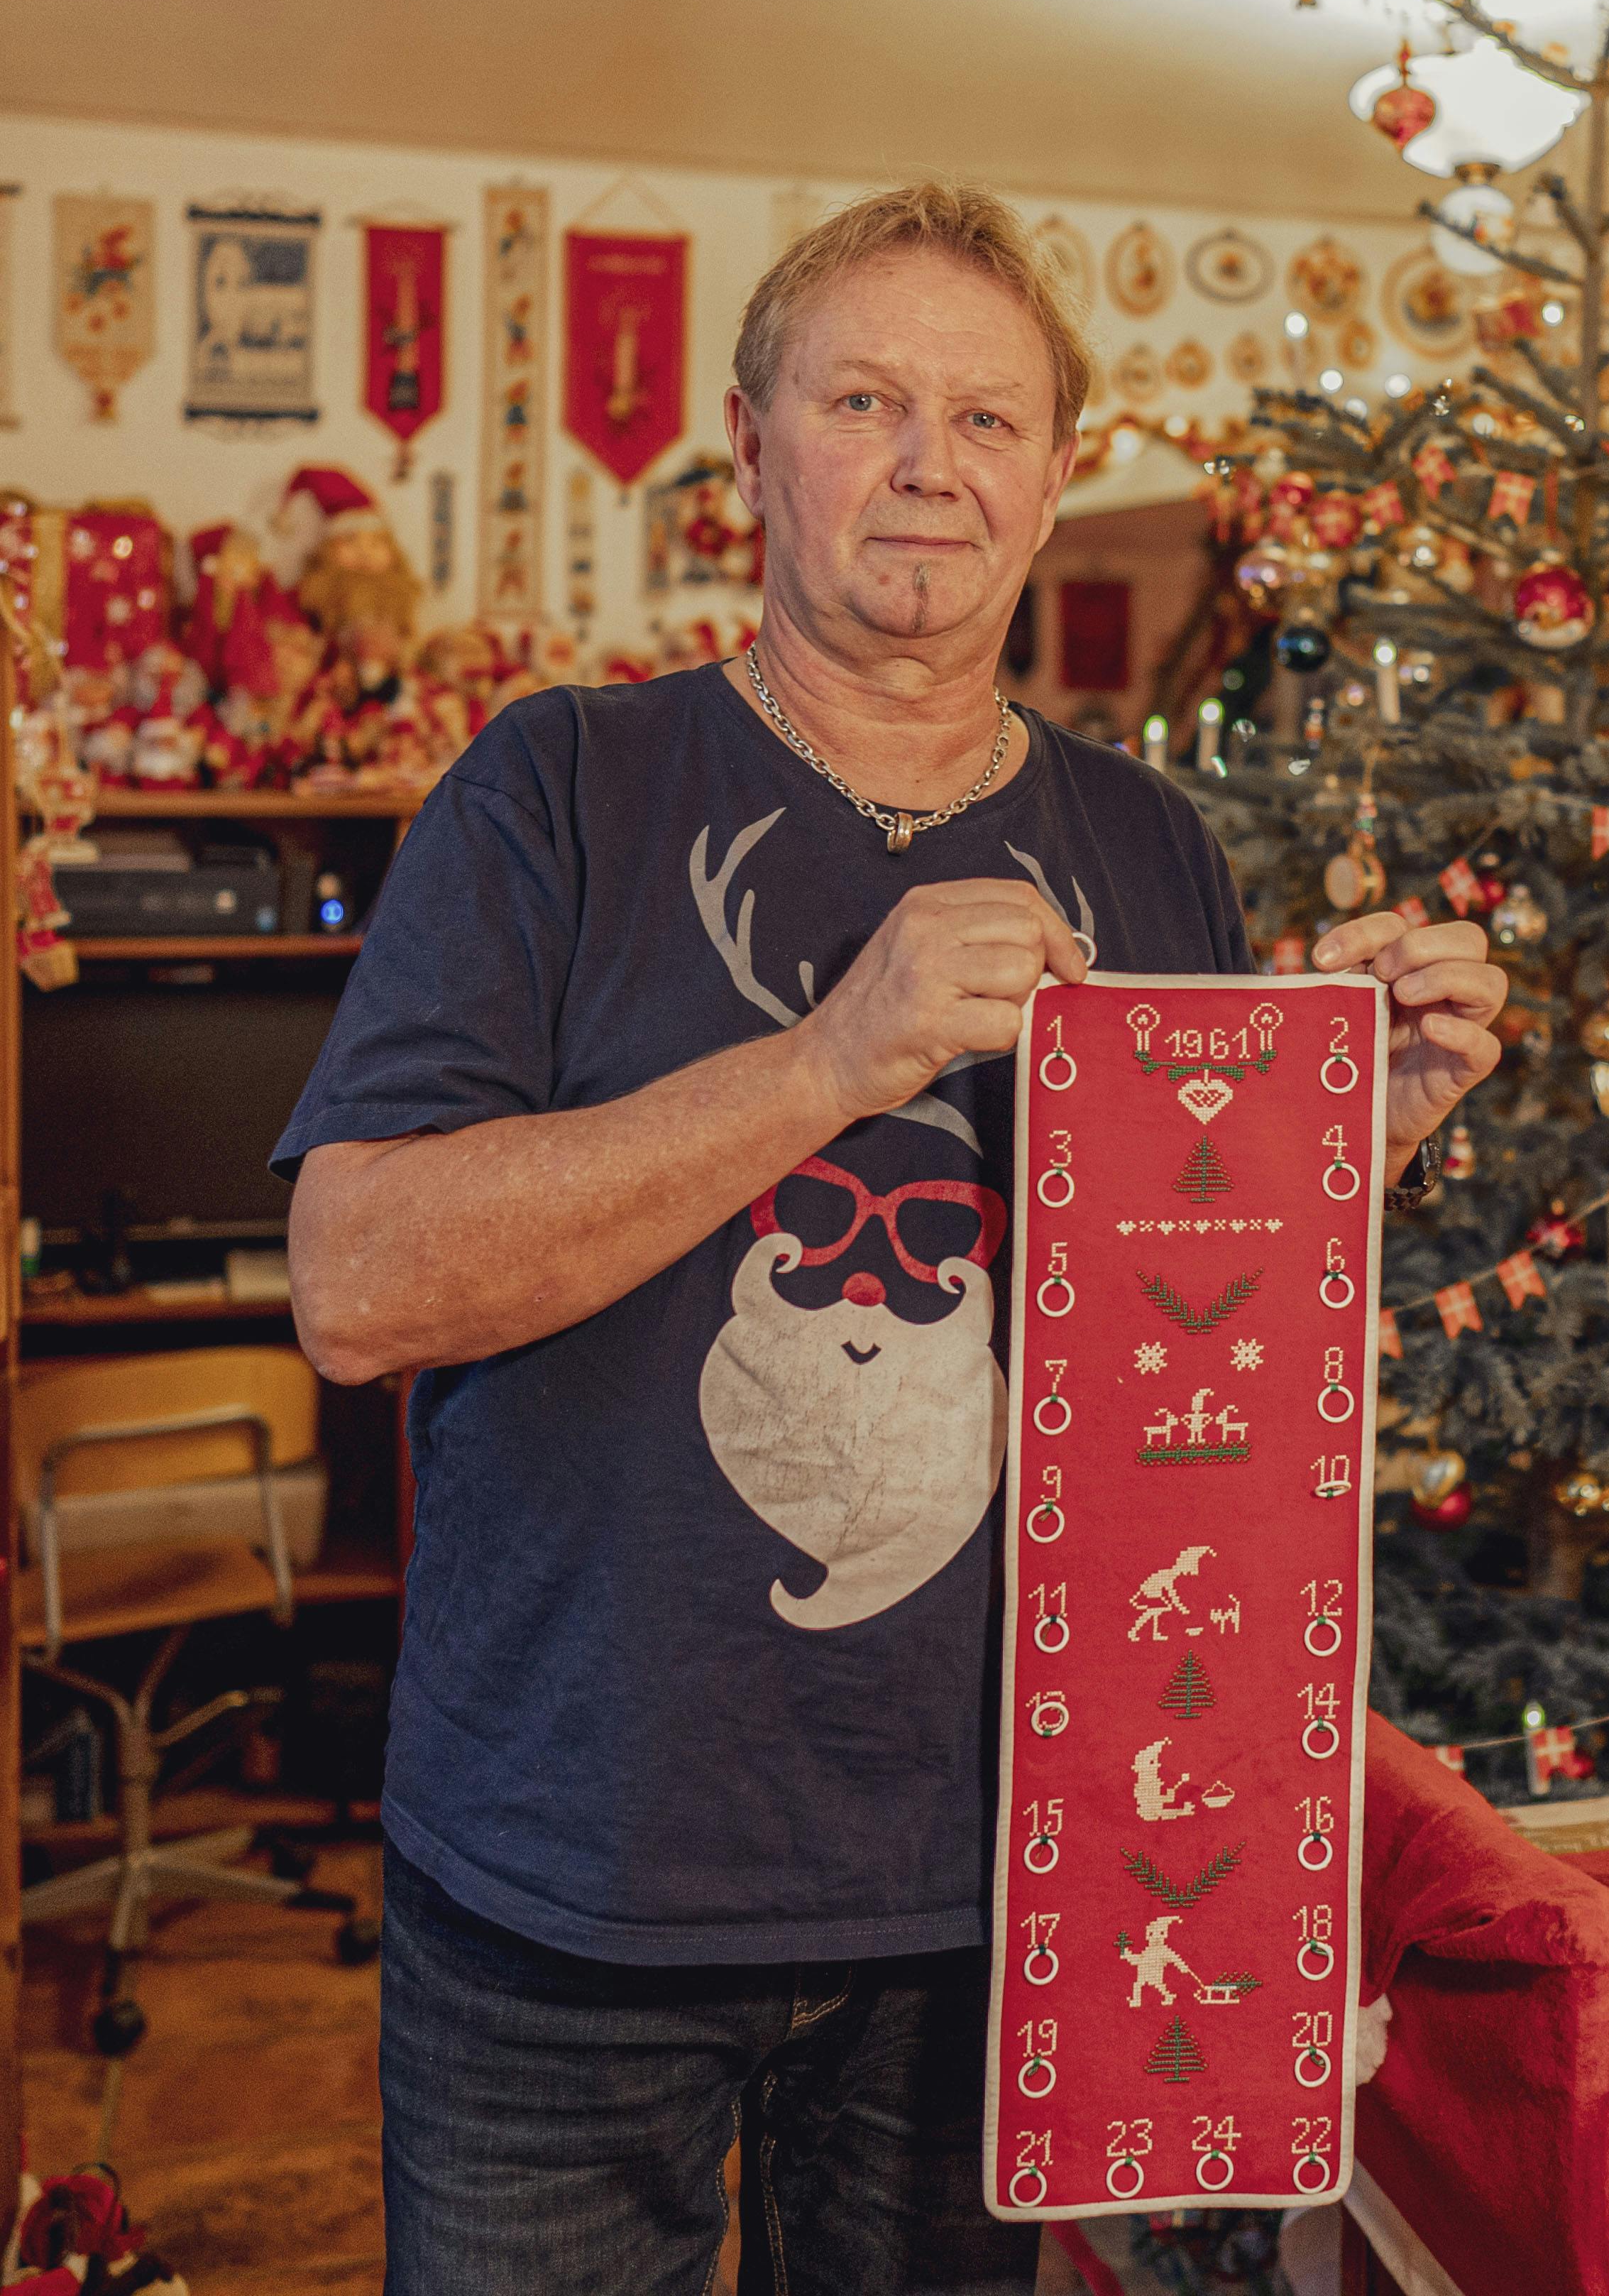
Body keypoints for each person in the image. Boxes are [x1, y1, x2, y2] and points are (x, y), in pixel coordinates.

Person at [281, 183, 1505, 2296]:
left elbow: (1174, 1352)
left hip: (992, 1896)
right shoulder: (555, 787)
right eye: (866, 400)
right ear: (753, 453)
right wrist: (831, 1058)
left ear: (1050, 486)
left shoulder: (1152, 846)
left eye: (991, 418)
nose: (932, 462)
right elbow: (356, 1282)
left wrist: (1348, 1154)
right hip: (578, 1885)